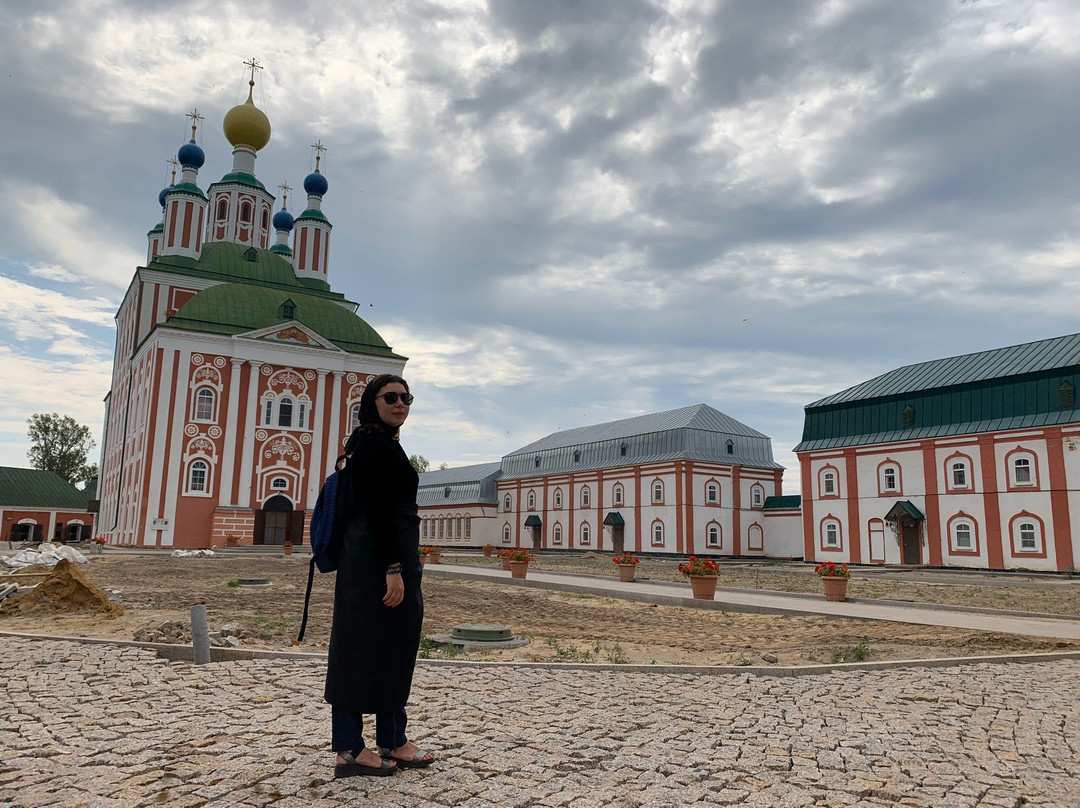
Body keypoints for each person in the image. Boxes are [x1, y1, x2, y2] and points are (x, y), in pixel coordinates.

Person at [324, 374, 436, 778]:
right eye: (390, 396)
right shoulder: (371, 445)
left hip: (392, 557)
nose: (401, 403)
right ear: (372, 403)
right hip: (373, 561)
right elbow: (375, 513)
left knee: (394, 645)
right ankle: (350, 749)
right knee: (357, 648)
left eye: (406, 397)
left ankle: (393, 740)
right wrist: (392, 569)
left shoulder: (385, 443)